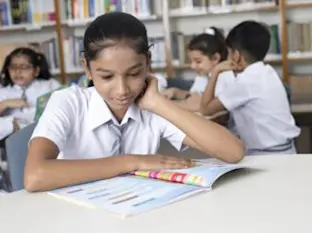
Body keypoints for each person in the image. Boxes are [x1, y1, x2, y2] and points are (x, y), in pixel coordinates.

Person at [24, 12, 244, 192]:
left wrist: (159, 103)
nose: (122, 90)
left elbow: (233, 152)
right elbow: (35, 176)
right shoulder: (68, 102)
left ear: (147, 63)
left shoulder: (151, 106)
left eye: (134, 73)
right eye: (107, 77)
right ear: (86, 67)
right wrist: (132, 162)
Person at [199, 20, 300, 155]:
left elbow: (205, 109)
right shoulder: (266, 71)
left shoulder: (246, 82)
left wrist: (216, 71)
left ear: (236, 55)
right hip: (286, 151)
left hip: (266, 156)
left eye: (229, 53)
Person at [162, 27, 232, 112]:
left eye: (198, 61)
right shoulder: (203, 75)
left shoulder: (226, 77)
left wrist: (163, 104)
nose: (193, 66)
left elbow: (202, 106)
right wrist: (176, 92)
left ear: (215, 58)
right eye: (191, 61)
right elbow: (196, 96)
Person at [0, 47, 61, 140]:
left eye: (24, 67)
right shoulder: (3, 89)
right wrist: (5, 103)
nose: (18, 72)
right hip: (13, 130)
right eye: (13, 67)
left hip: (43, 130)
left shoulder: (50, 85)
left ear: (36, 71)